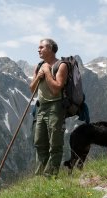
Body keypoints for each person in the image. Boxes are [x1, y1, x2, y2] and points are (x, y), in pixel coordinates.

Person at [29, 38, 68, 177]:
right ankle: (39, 177)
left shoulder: (61, 65)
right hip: (41, 107)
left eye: (41, 47)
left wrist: (47, 72)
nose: (38, 50)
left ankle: (50, 176)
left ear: (50, 49)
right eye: (38, 47)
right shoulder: (39, 66)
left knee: (55, 143)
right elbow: (31, 88)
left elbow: (57, 88)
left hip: (56, 106)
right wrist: (38, 77)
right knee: (39, 142)